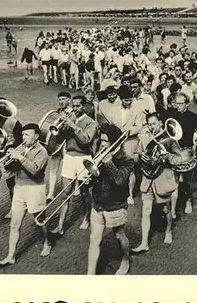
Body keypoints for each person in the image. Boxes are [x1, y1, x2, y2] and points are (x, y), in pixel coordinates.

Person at [0, 123, 51, 265]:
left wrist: (20, 158)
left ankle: (47, 242)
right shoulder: (21, 148)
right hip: (19, 188)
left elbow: (35, 170)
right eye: (23, 135)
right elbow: (11, 169)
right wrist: (8, 158)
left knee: (39, 220)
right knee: (14, 225)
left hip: (35, 189)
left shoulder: (42, 152)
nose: (24, 138)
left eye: (27, 135)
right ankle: (11, 256)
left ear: (37, 136)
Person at [87, 123, 133, 275]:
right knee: (94, 239)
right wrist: (88, 180)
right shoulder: (98, 154)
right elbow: (96, 177)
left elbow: (120, 180)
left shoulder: (126, 159)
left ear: (114, 142)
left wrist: (108, 162)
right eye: (102, 140)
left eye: (106, 141)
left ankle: (126, 259)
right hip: (98, 203)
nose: (103, 144)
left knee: (119, 235)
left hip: (115, 204)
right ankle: (90, 274)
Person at [132, 113, 182, 253]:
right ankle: (144, 243)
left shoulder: (170, 139)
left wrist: (164, 157)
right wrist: (141, 156)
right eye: (149, 124)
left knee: (166, 209)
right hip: (148, 179)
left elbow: (179, 159)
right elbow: (136, 157)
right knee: (146, 210)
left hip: (162, 179)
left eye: (154, 123)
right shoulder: (144, 137)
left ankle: (168, 231)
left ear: (160, 123)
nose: (152, 127)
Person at [51, 95, 98, 234]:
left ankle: (86, 218)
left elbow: (86, 140)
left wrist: (73, 126)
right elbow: (59, 139)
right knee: (65, 193)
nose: (75, 108)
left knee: (85, 193)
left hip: (84, 158)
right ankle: (60, 225)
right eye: (74, 105)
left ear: (83, 106)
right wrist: (59, 129)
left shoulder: (91, 122)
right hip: (69, 157)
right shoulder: (69, 119)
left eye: (78, 106)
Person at [99, 85, 145, 205]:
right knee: (116, 165)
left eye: (130, 100)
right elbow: (111, 124)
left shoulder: (137, 110)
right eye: (126, 100)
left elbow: (139, 127)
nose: (128, 102)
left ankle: (129, 194)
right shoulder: (113, 110)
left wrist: (129, 131)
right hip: (116, 141)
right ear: (120, 99)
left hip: (130, 140)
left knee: (130, 167)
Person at [170, 92, 197, 215]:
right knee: (173, 181)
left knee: (187, 181)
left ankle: (188, 201)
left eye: (181, 103)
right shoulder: (171, 116)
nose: (178, 106)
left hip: (187, 152)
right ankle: (173, 209)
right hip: (174, 151)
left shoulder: (193, 117)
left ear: (186, 104)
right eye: (176, 103)